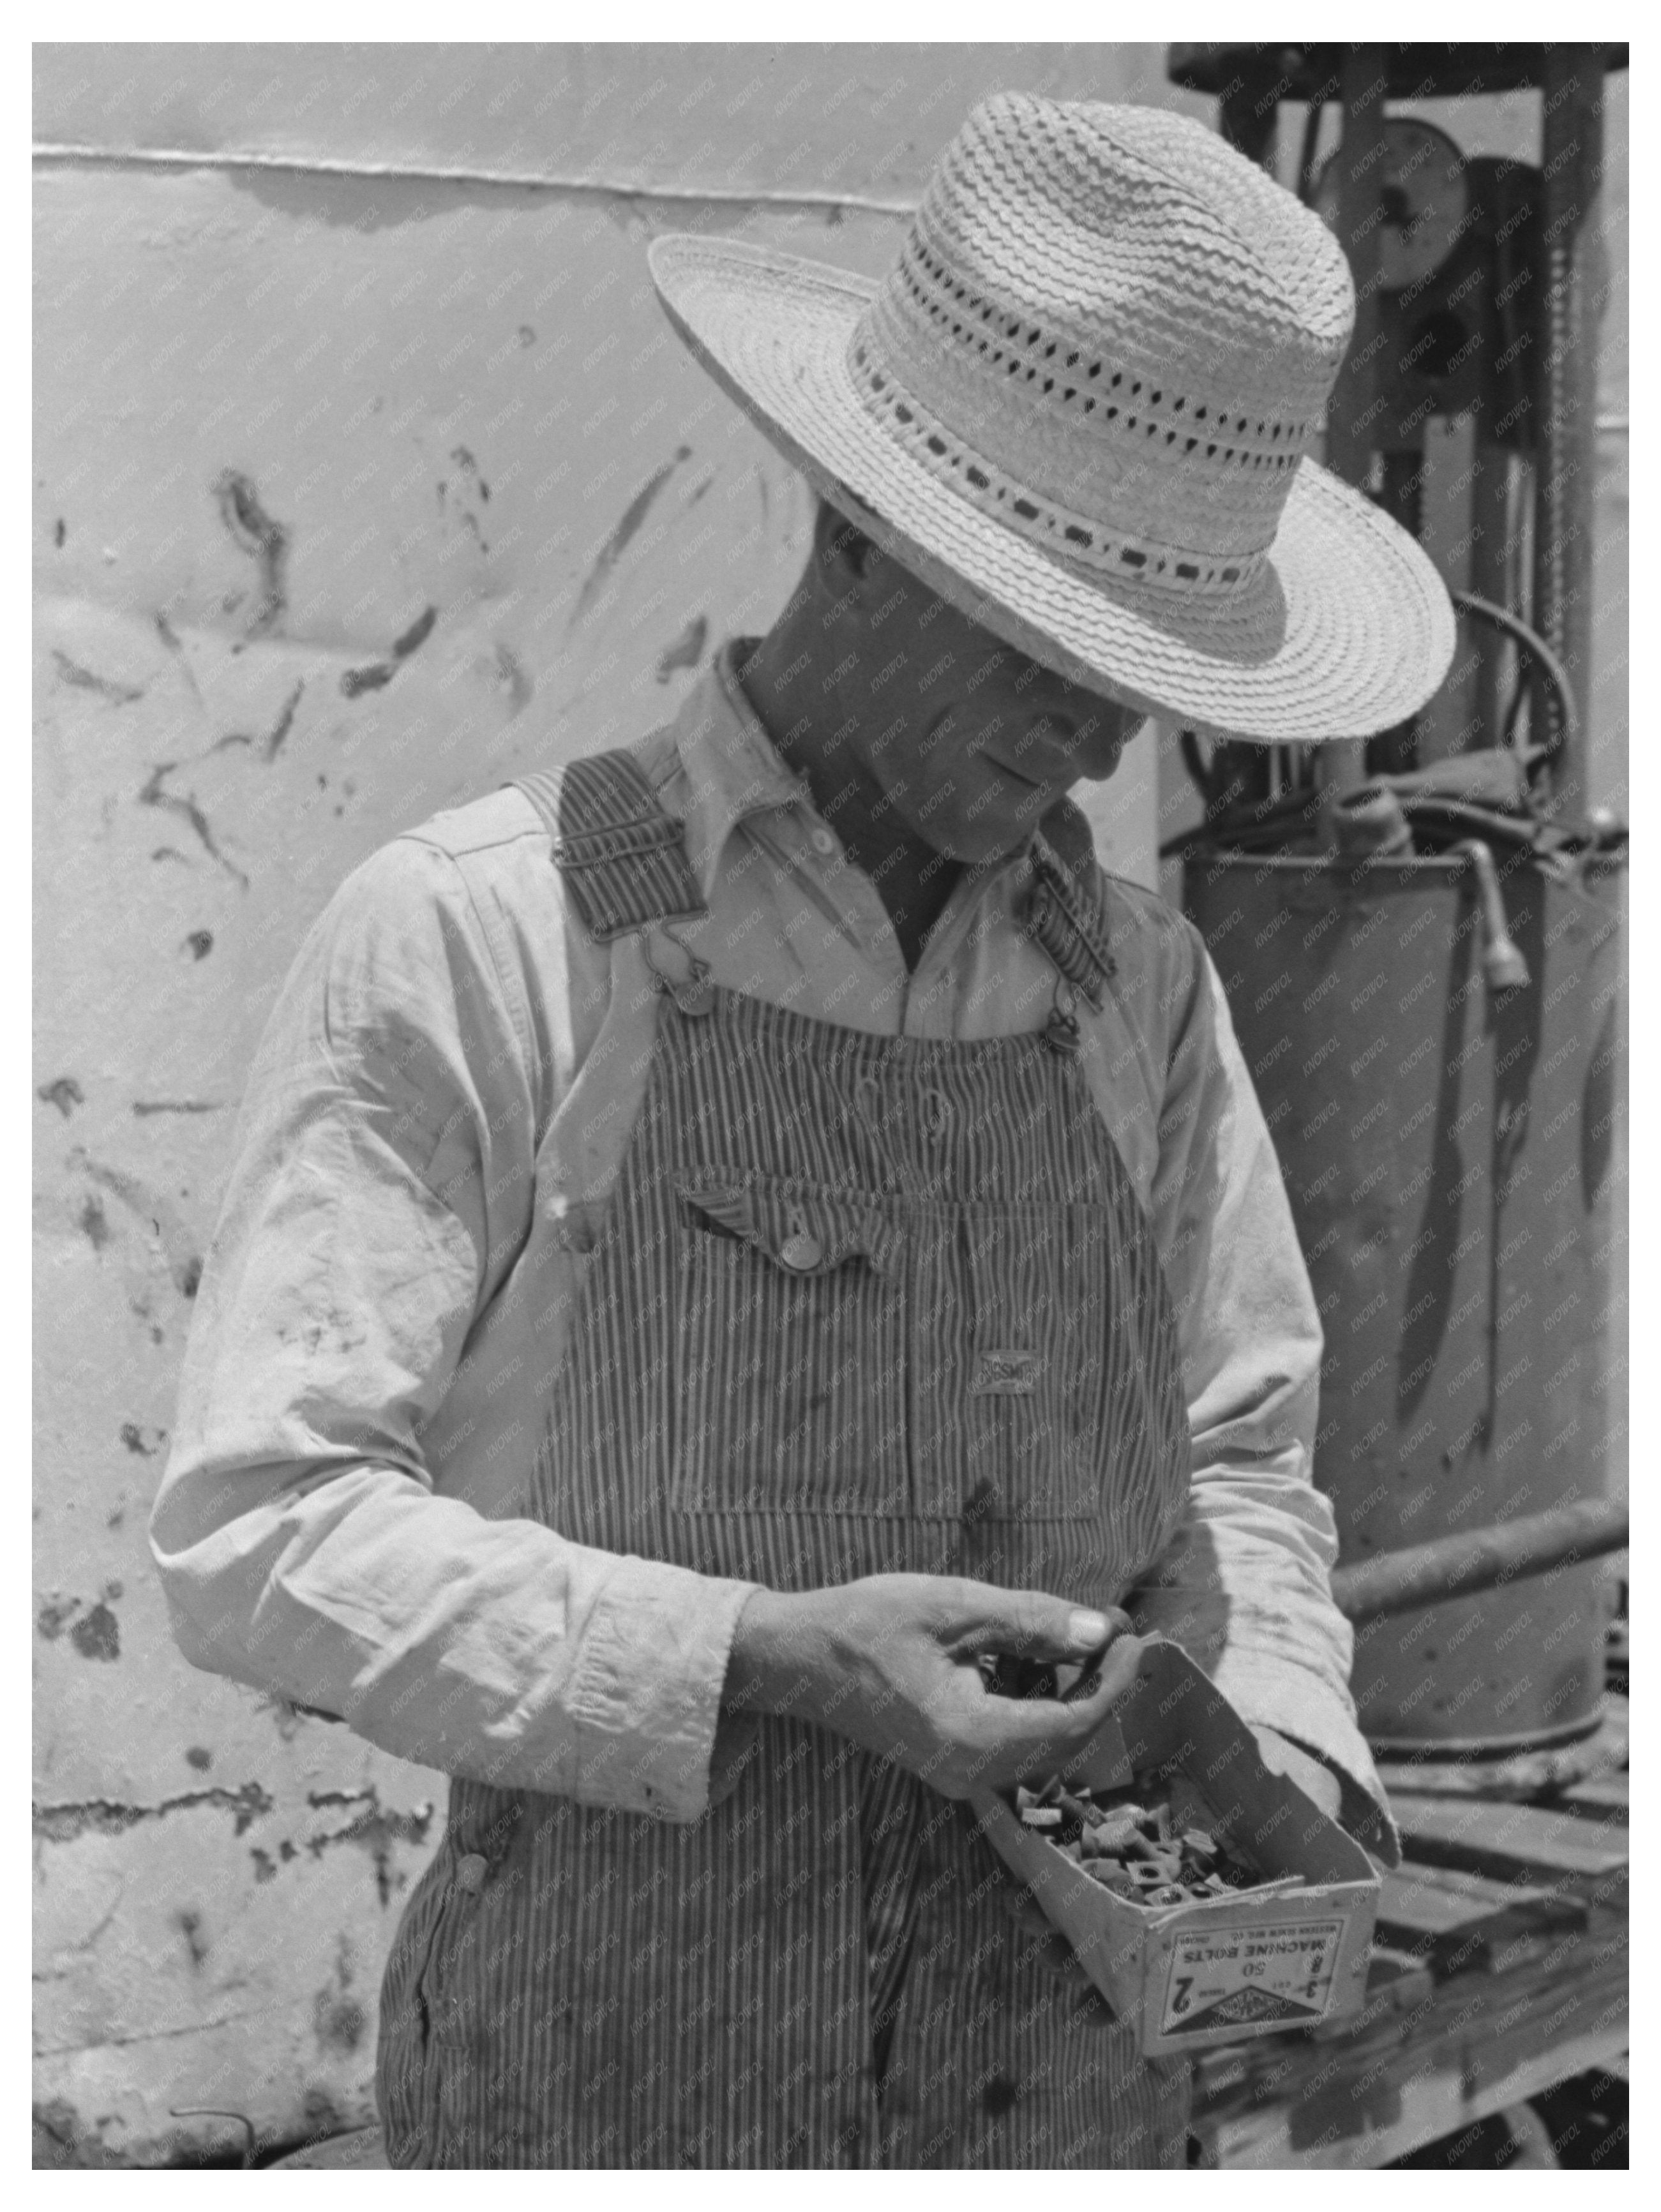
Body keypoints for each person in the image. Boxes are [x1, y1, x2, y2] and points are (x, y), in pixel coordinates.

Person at [151, 94, 1453, 2168]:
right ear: (854, 526)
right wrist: (756, 1652)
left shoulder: (1145, 995)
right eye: (1043, 644)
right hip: (606, 2087)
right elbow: (256, 1530)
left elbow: (1240, 1465)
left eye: (1148, 671)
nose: (1103, 732)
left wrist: (1268, 1761)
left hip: (1053, 2098)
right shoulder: (495, 929)